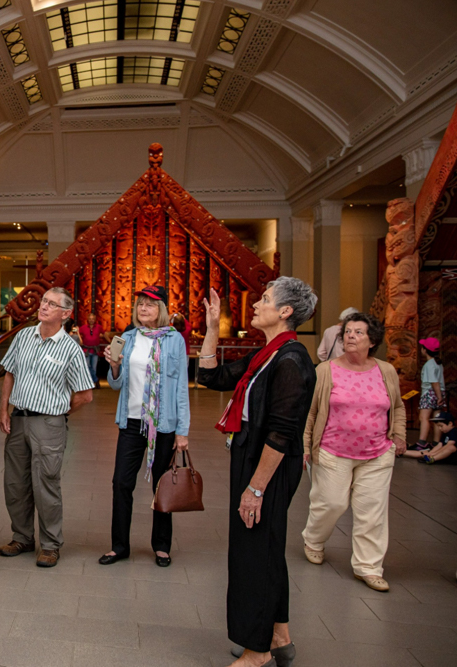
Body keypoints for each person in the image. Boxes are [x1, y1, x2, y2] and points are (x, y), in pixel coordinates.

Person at [197, 277, 317, 667]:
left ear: (285, 311)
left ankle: (257, 651)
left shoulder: (291, 360)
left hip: (269, 465)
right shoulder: (266, 354)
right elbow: (211, 377)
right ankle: (278, 635)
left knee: (254, 553)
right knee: (265, 549)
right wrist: (213, 327)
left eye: (264, 299)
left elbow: (282, 433)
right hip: (251, 454)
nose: (256, 305)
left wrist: (257, 489)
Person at [301, 312, 405, 593]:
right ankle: (313, 538)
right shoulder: (326, 370)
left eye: (358, 332)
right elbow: (311, 412)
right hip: (333, 451)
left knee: (372, 512)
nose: (350, 336)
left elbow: (397, 406)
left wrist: (399, 437)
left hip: (377, 453)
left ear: (372, 341)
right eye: (347, 331)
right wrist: (306, 445)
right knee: (331, 503)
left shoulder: (386, 371)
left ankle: (368, 567)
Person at [0, 287, 94, 568]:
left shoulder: (70, 349)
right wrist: (4, 409)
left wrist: (60, 411)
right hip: (18, 420)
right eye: (43, 301)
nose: (44, 306)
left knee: (45, 484)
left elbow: (85, 394)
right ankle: (23, 537)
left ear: (65, 314)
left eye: (52, 304)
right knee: (15, 483)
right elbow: (10, 373)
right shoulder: (24, 336)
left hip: (48, 423)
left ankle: (50, 545)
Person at [101, 285, 190, 568]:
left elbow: (181, 388)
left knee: (162, 486)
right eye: (139, 304)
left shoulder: (174, 341)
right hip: (131, 421)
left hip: (162, 424)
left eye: (150, 305)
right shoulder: (127, 338)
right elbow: (116, 383)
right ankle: (119, 546)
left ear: (161, 309)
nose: (143, 309)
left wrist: (182, 430)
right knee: (120, 483)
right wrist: (114, 366)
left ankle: (162, 546)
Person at [414, 337, 446, 450]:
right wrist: (441, 396)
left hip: (430, 393)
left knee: (424, 418)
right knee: (436, 418)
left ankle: (422, 443)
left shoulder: (429, 364)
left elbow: (434, 382)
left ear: (424, 350)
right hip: (440, 393)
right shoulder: (438, 363)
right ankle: (436, 443)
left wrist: (438, 397)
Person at [79, 312, 107, 387]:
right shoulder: (83, 328)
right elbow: (76, 334)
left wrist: (111, 342)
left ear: (95, 319)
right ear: (88, 319)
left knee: (94, 368)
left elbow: (104, 335)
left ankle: (93, 381)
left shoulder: (99, 327)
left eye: (93, 319)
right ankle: (95, 380)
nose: (91, 320)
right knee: (87, 366)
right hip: (86, 351)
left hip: (95, 351)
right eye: (90, 318)